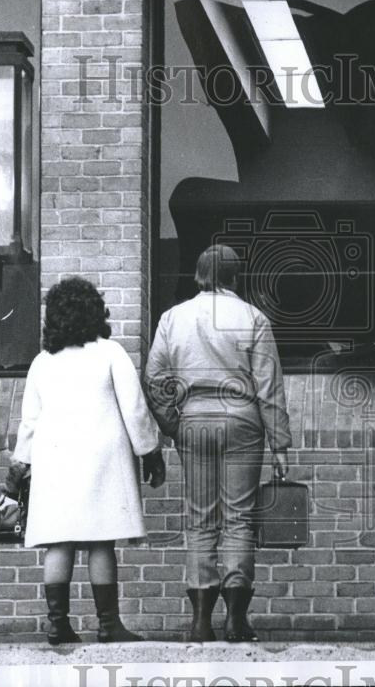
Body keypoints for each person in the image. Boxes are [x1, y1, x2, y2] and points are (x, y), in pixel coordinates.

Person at [6, 276, 166, 645]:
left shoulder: (42, 362)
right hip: (102, 460)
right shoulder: (111, 353)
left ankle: (57, 623)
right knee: (101, 541)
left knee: (59, 541)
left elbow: (29, 421)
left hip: (55, 460)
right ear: (95, 311)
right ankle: (109, 625)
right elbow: (135, 409)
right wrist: (150, 453)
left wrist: (19, 467)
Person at [145, 244, 292, 644]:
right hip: (242, 419)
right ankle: (236, 621)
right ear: (234, 277)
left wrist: (174, 424)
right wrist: (280, 444)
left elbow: (155, 378)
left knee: (200, 520)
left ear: (198, 275)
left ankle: (199, 622)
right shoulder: (253, 317)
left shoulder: (172, 318)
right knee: (240, 519)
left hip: (194, 420)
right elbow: (269, 386)